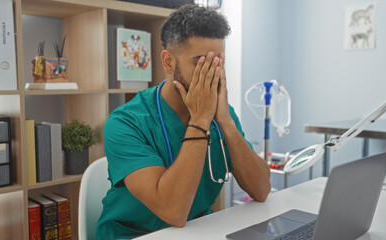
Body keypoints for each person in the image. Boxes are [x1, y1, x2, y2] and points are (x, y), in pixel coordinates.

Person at [96, 4, 271, 240]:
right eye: (200, 62)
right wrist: (199, 119)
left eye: (218, 62)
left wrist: (226, 122)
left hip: (197, 232)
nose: (212, 72)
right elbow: (174, 212)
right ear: (168, 62)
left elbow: (261, 190)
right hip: (134, 235)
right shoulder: (125, 122)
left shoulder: (222, 115)